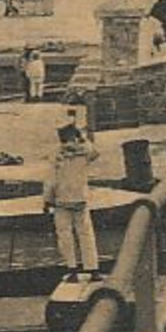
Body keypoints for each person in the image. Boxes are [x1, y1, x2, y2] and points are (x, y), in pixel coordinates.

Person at [44, 117, 101, 277]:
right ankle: (93, 268)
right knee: (86, 233)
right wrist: (82, 138)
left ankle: (72, 269)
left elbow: (51, 180)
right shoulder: (83, 151)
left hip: (61, 199)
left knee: (65, 234)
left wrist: (47, 200)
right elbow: (95, 152)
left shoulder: (56, 154)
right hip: (80, 197)